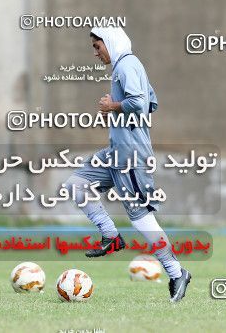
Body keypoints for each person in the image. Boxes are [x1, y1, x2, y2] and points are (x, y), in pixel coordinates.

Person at [64, 26, 191, 302]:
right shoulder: (127, 66)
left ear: (110, 42)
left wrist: (113, 106)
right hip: (115, 153)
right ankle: (111, 236)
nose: (95, 53)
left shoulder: (127, 65)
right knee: (76, 185)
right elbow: (152, 103)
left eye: (98, 46)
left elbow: (140, 101)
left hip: (131, 157)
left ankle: (176, 271)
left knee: (142, 219)